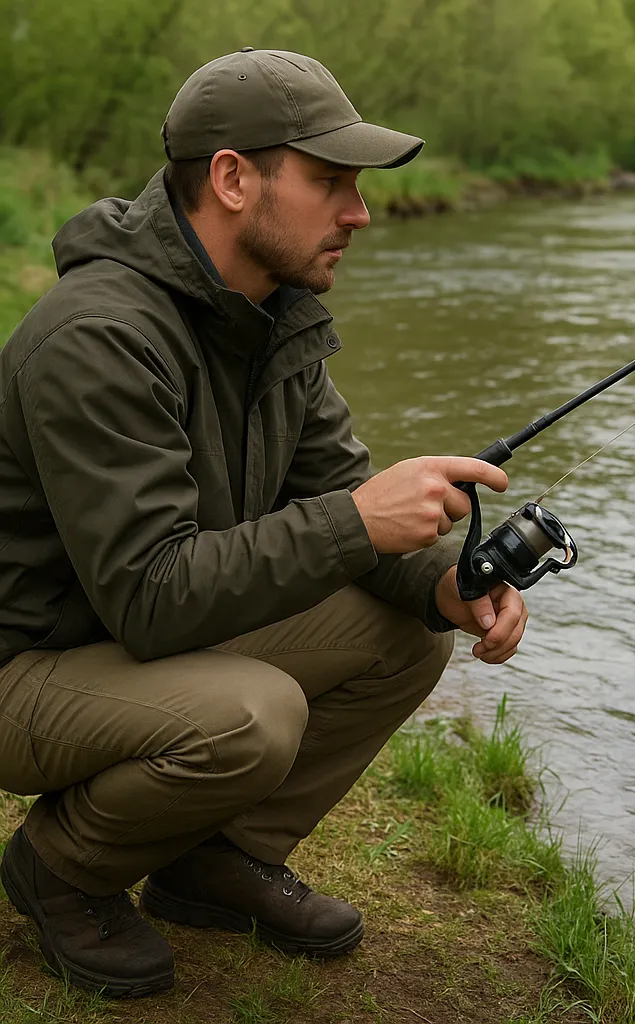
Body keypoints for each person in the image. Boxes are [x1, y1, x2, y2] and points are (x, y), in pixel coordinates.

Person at [0, 48, 528, 999]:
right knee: (254, 714)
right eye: (330, 182)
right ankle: (61, 868)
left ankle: (213, 861)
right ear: (233, 179)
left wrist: (450, 585)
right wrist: (357, 521)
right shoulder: (98, 337)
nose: (359, 213)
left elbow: (339, 491)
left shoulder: (270, 318)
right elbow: (153, 598)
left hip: (123, 641)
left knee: (408, 634)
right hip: (26, 665)